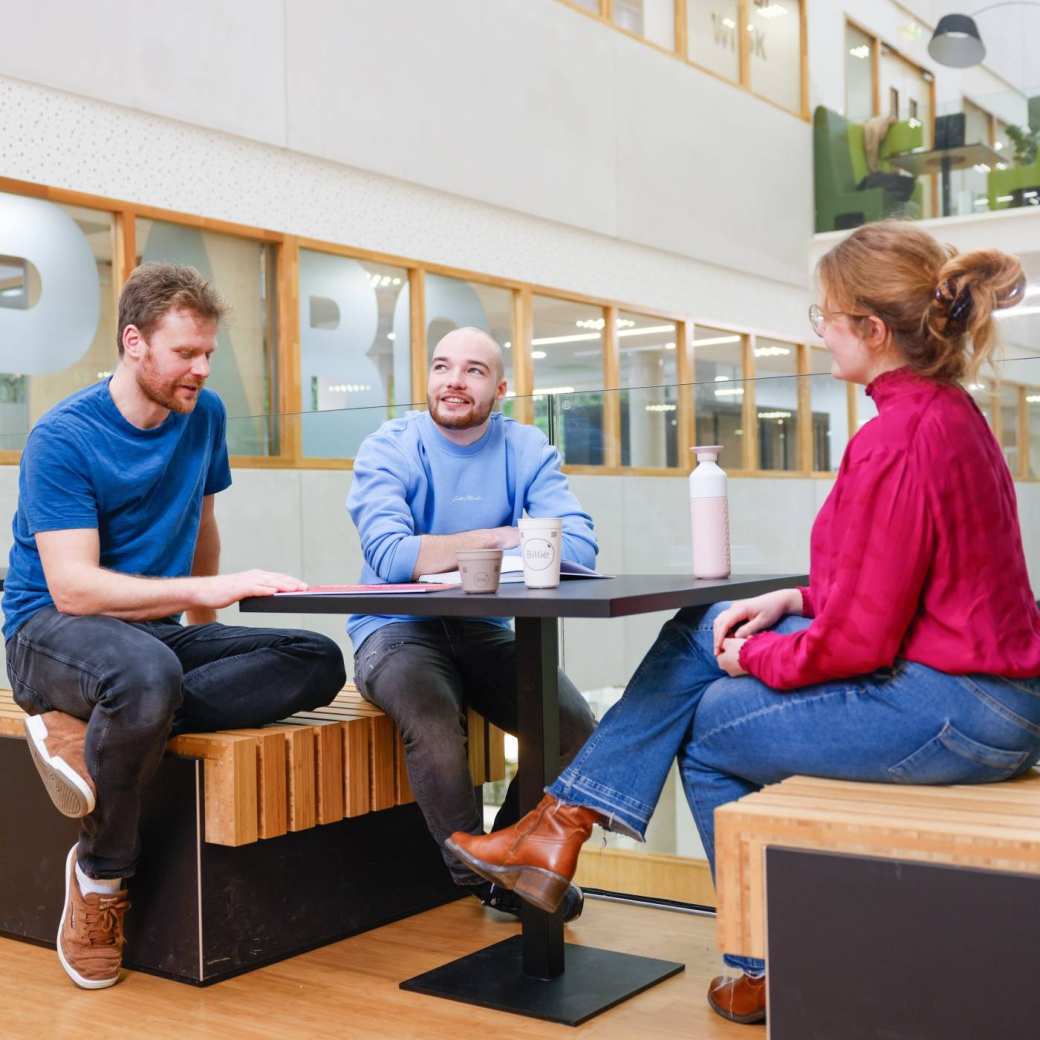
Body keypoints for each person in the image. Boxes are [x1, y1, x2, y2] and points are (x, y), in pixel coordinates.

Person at [447, 221, 1040, 1025]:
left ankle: (738, 946)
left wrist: (758, 660)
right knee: (704, 622)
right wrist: (793, 603)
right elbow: (914, 584)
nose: (821, 332)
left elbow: (860, 644)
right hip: (987, 695)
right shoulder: (947, 415)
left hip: (959, 712)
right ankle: (561, 825)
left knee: (707, 724)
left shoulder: (896, 437)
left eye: (825, 315)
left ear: (870, 328)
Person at [4, 263, 346, 990]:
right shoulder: (63, 437)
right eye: (186, 353)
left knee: (313, 659)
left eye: (208, 353)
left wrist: (205, 629)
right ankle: (100, 881)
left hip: (148, 639)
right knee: (145, 674)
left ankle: (89, 728)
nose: (201, 368)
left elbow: (203, 525)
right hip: (47, 634)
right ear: (135, 343)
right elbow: (73, 589)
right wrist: (211, 592)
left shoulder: (204, 415)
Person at [347, 326, 597, 920]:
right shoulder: (390, 446)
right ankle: (479, 878)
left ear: (501, 388)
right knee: (434, 722)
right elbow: (392, 556)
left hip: (483, 628)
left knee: (573, 726)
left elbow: (581, 546)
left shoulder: (527, 447)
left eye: (473, 371)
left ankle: (512, 853)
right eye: (442, 367)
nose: (453, 381)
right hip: (395, 627)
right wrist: (504, 537)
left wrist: (448, 547)